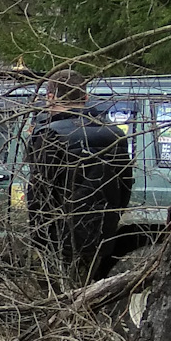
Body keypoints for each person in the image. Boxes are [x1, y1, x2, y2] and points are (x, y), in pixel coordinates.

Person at [26, 74, 133, 284]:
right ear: (85, 97)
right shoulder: (115, 134)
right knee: (86, 288)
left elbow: (39, 195)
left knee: (57, 293)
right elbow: (125, 187)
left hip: (59, 237)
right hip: (101, 233)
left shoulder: (49, 136)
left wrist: (39, 239)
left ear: (50, 97)